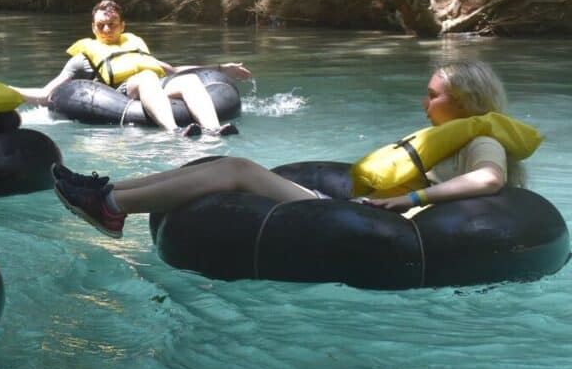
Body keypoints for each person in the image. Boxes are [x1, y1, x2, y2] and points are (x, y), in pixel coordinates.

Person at [53, 60, 532, 239]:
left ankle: (113, 207)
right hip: (363, 211)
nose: (424, 102)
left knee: (237, 167)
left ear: (467, 103)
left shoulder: (482, 139)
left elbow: (490, 180)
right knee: (222, 162)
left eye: (434, 95)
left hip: (377, 224)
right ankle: (110, 192)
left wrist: (407, 200)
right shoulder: (453, 139)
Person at [13, 0, 251, 136]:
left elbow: (174, 70)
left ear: (122, 25)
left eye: (112, 24)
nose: (107, 30)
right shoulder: (82, 59)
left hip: (155, 87)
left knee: (188, 81)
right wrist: (10, 92)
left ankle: (214, 130)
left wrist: (221, 68)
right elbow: (47, 94)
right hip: (120, 95)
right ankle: (173, 131)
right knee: (146, 77)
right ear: (93, 27)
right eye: (101, 25)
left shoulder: (134, 45)